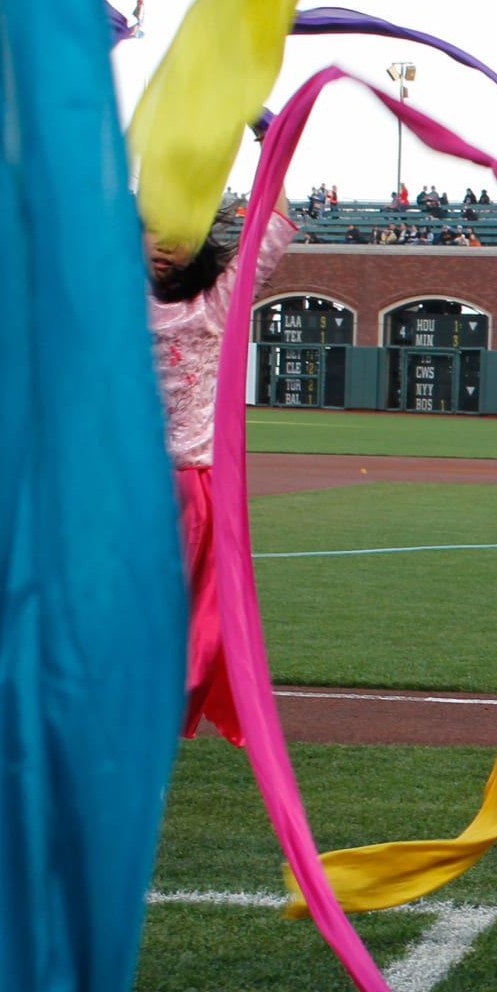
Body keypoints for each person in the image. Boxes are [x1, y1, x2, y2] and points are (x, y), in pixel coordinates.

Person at [147, 185, 299, 746]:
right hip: (117, 487)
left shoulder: (213, 302)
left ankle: (150, 726)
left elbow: (274, 226)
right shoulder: (107, 296)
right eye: (155, 231)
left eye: (182, 235)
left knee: (184, 628)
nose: (167, 245)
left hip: (189, 490)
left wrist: (270, 138)